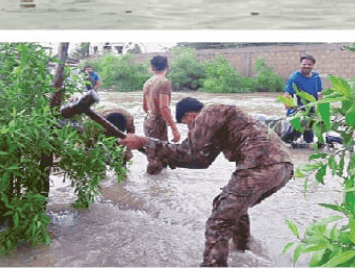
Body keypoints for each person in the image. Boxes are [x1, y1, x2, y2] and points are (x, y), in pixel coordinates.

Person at [118, 97, 294, 267]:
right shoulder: (221, 118)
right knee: (229, 206)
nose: (189, 127)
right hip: (282, 168)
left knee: (218, 223)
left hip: (261, 165)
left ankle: (214, 265)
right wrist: (149, 148)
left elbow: (189, 152)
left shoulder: (209, 112)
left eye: (186, 123)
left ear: (189, 116)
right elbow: (200, 161)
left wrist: (144, 141)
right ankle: (242, 251)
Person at [142, 55, 180, 175]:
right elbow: (164, 107)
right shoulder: (164, 82)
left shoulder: (147, 83)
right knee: (157, 160)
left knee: (157, 156)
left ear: (152, 68)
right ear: (167, 67)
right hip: (157, 122)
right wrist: (174, 129)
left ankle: (157, 188)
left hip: (148, 120)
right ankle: (152, 190)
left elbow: (144, 107)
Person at [283, 55, 323, 144]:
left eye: (309, 64)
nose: (306, 66)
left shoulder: (316, 76)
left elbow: (320, 93)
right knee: (291, 139)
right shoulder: (295, 77)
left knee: (309, 139)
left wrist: (321, 109)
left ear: (313, 65)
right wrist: (288, 105)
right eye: (304, 64)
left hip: (311, 112)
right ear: (300, 64)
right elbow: (287, 94)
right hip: (297, 111)